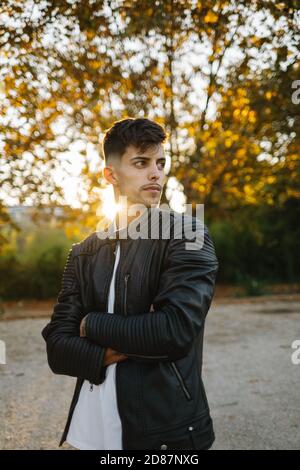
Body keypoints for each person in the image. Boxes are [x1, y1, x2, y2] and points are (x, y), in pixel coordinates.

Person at [41, 117, 219, 450]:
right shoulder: (84, 251)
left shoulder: (187, 235)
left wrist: (90, 323)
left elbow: (174, 331)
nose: (156, 173)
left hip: (163, 434)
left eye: (160, 163)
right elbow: (57, 347)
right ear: (110, 174)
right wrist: (132, 339)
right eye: (141, 162)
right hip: (90, 431)